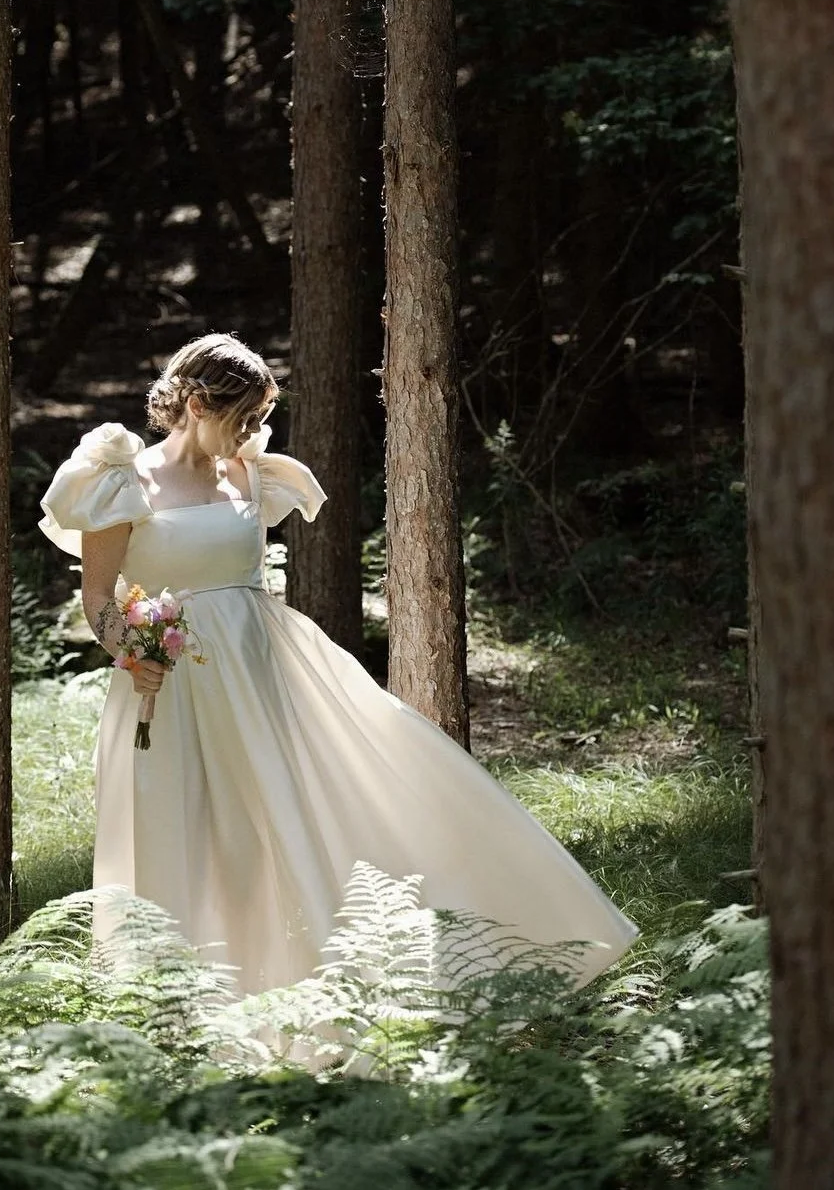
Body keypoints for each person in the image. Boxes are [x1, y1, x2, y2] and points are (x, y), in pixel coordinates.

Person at [40, 332, 637, 996]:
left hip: (262, 676)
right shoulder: (123, 481)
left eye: (263, 418)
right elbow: (97, 596)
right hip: (169, 688)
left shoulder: (252, 475)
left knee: (286, 825)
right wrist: (131, 650)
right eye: (246, 417)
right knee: (178, 832)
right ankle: (174, 1002)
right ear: (200, 403)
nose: (256, 431)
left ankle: (310, 986)